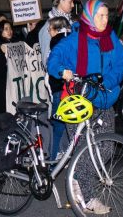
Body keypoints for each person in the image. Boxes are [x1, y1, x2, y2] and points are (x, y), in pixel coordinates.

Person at [47, 0, 123, 214]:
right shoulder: (73, 40)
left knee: (106, 147)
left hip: (104, 99)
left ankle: (75, 175)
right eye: (100, 15)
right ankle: (88, 197)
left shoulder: (111, 38)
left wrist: (104, 82)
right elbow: (53, 60)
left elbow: (121, 65)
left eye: (107, 15)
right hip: (77, 100)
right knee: (84, 150)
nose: (105, 19)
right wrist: (61, 70)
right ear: (89, 17)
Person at [46, 16, 71, 159]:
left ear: (57, 29)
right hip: (68, 87)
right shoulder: (71, 40)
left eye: (50, 29)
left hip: (60, 89)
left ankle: (52, 160)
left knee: (58, 126)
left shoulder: (56, 41)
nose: (49, 32)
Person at [39, 0, 80, 70]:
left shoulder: (72, 23)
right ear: (61, 1)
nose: (73, 5)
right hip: (61, 76)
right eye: (70, 2)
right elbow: (46, 60)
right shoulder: (49, 26)